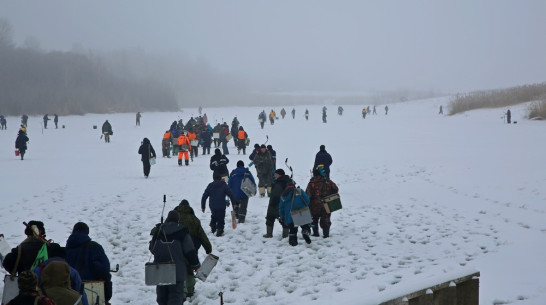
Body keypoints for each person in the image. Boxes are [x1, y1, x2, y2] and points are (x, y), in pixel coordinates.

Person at [149, 211, 200, 305]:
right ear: (178, 220)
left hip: (161, 270)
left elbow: (152, 249)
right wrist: (196, 265)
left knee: (162, 298)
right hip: (177, 271)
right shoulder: (182, 233)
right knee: (175, 297)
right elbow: (190, 251)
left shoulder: (159, 231)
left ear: (167, 219)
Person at [65, 222, 113, 304]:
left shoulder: (66, 250)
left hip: (70, 292)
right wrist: (107, 293)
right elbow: (104, 269)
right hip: (91, 290)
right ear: (87, 232)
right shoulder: (94, 247)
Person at [174, 200, 212, 299]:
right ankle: (189, 291)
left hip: (174, 250)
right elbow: (202, 235)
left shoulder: (173, 219)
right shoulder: (194, 220)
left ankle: (180, 292)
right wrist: (208, 248)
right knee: (189, 269)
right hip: (191, 250)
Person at [305, 168, 339, 238]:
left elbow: (307, 195)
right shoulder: (327, 181)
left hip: (314, 205)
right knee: (326, 218)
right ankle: (326, 234)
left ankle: (315, 233)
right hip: (327, 203)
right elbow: (336, 189)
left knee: (314, 218)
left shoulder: (311, 183)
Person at [279, 179, 312, 246]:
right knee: (305, 226)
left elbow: (281, 208)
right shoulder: (299, 191)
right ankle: (305, 232)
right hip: (301, 212)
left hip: (290, 215)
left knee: (293, 230)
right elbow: (307, 200)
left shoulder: (283, 195)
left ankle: (292, 242)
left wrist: (282, 217)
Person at [263, 169, 290, 238]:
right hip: (286, 204)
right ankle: (285, 235)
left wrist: (272, 203)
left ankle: (269, 234)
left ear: (279, 174)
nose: (275, 175)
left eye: (276, 174)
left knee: (270, 217)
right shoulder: (288, 182)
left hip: (276, 204)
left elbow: (276, 195)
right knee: (284, 219)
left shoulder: (279, 183)